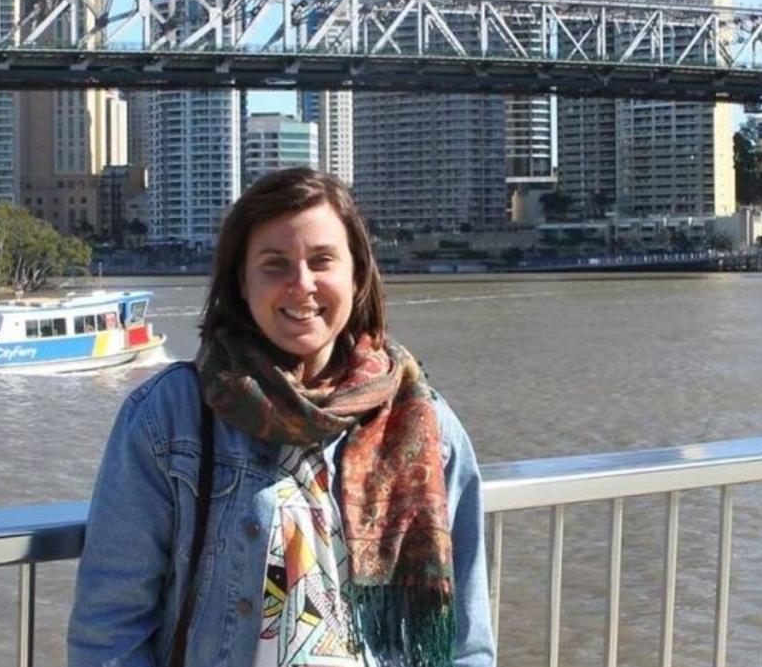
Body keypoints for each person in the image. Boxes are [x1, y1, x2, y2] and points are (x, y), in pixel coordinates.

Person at [68, 168, 494, 667]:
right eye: (275, 264)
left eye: (322, 261)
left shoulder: (425, 425)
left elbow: (466, 642)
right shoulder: (171, 416)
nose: (302, 285)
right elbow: (110, 633)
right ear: (241, 284)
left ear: (357, 276)